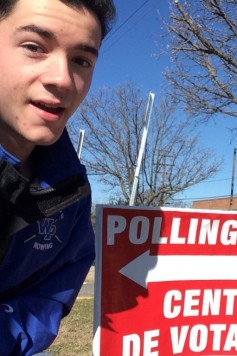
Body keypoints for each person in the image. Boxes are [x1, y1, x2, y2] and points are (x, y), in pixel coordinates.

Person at [0, 0, 115, 354]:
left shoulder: (72, 191)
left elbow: (52, 294)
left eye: (82, 60)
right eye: (34, 47)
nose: (62, 79)